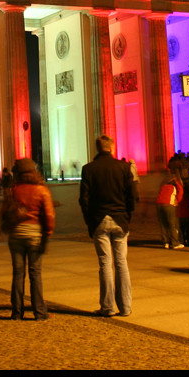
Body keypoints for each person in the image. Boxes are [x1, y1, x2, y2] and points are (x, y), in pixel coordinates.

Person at [79, 135, 135, 317]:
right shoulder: (124, 167)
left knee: (105, 263)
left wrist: (90, 221)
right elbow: (132, 196)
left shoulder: (88, 169)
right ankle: (126, 306)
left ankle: (107, 306)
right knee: (121, 263)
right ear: (112, 147)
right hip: (120, 220)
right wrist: (127, 217)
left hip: (99, 220)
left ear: (97, 148)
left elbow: (84, 199)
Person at [0, 158, 55, 321]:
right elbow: (49, 215)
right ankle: (39, 312)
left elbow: (4, 213)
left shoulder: (13, 189)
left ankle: (16, 312)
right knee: (35, 274)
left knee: (18, 274)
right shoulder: (41, 190)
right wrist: (48, 233)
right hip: (35, 236)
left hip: (16, 236)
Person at [155, 167, 184, 249]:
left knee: (163, 224)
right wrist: (177, 201)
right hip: (168, 203)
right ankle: (175, 243)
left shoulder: (164, 182)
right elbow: (180, 192)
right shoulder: (176, 182)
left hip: (159, 203)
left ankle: (165, 242)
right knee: (172, 224)